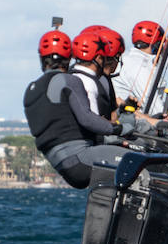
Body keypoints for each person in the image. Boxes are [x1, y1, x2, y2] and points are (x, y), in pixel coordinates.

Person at [25, 27, 144, 188]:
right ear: (69, 57)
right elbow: (87, 119)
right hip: (81, 158)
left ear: (41, 58)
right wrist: (120, 129)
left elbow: (60, 126)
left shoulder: (31, 89)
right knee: (139, 163)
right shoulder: (69, 80)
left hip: (62, 165)